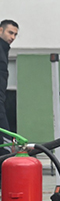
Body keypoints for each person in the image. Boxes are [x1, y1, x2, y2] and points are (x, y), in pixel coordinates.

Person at [0, 19, 18, 157]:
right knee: (5, 146)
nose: (12, 37)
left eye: (15, 35)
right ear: (1, 30)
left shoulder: (4, 50)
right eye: (10, 33)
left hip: (2, 101)